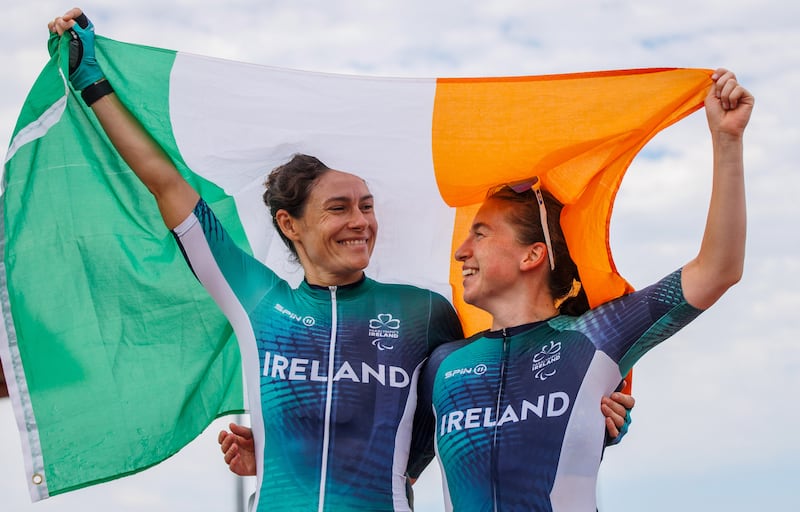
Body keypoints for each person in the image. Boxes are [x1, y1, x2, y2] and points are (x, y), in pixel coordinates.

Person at [48, 8, 635, 511]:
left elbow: (486, 399)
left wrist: (590, 416)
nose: (361, 222)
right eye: (338, 208)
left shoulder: (424, 314)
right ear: (290, 224)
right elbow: (167, 186)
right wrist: (94, 81)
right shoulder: (258, 301)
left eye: (367, 206)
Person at [415, 69, 752, 511]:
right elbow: (385, 470)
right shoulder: (441, 363)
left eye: (480, 233)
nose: (460, 251)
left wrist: (727, 141)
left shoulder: (596, 336)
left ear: (532, 255)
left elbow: (717, 270)